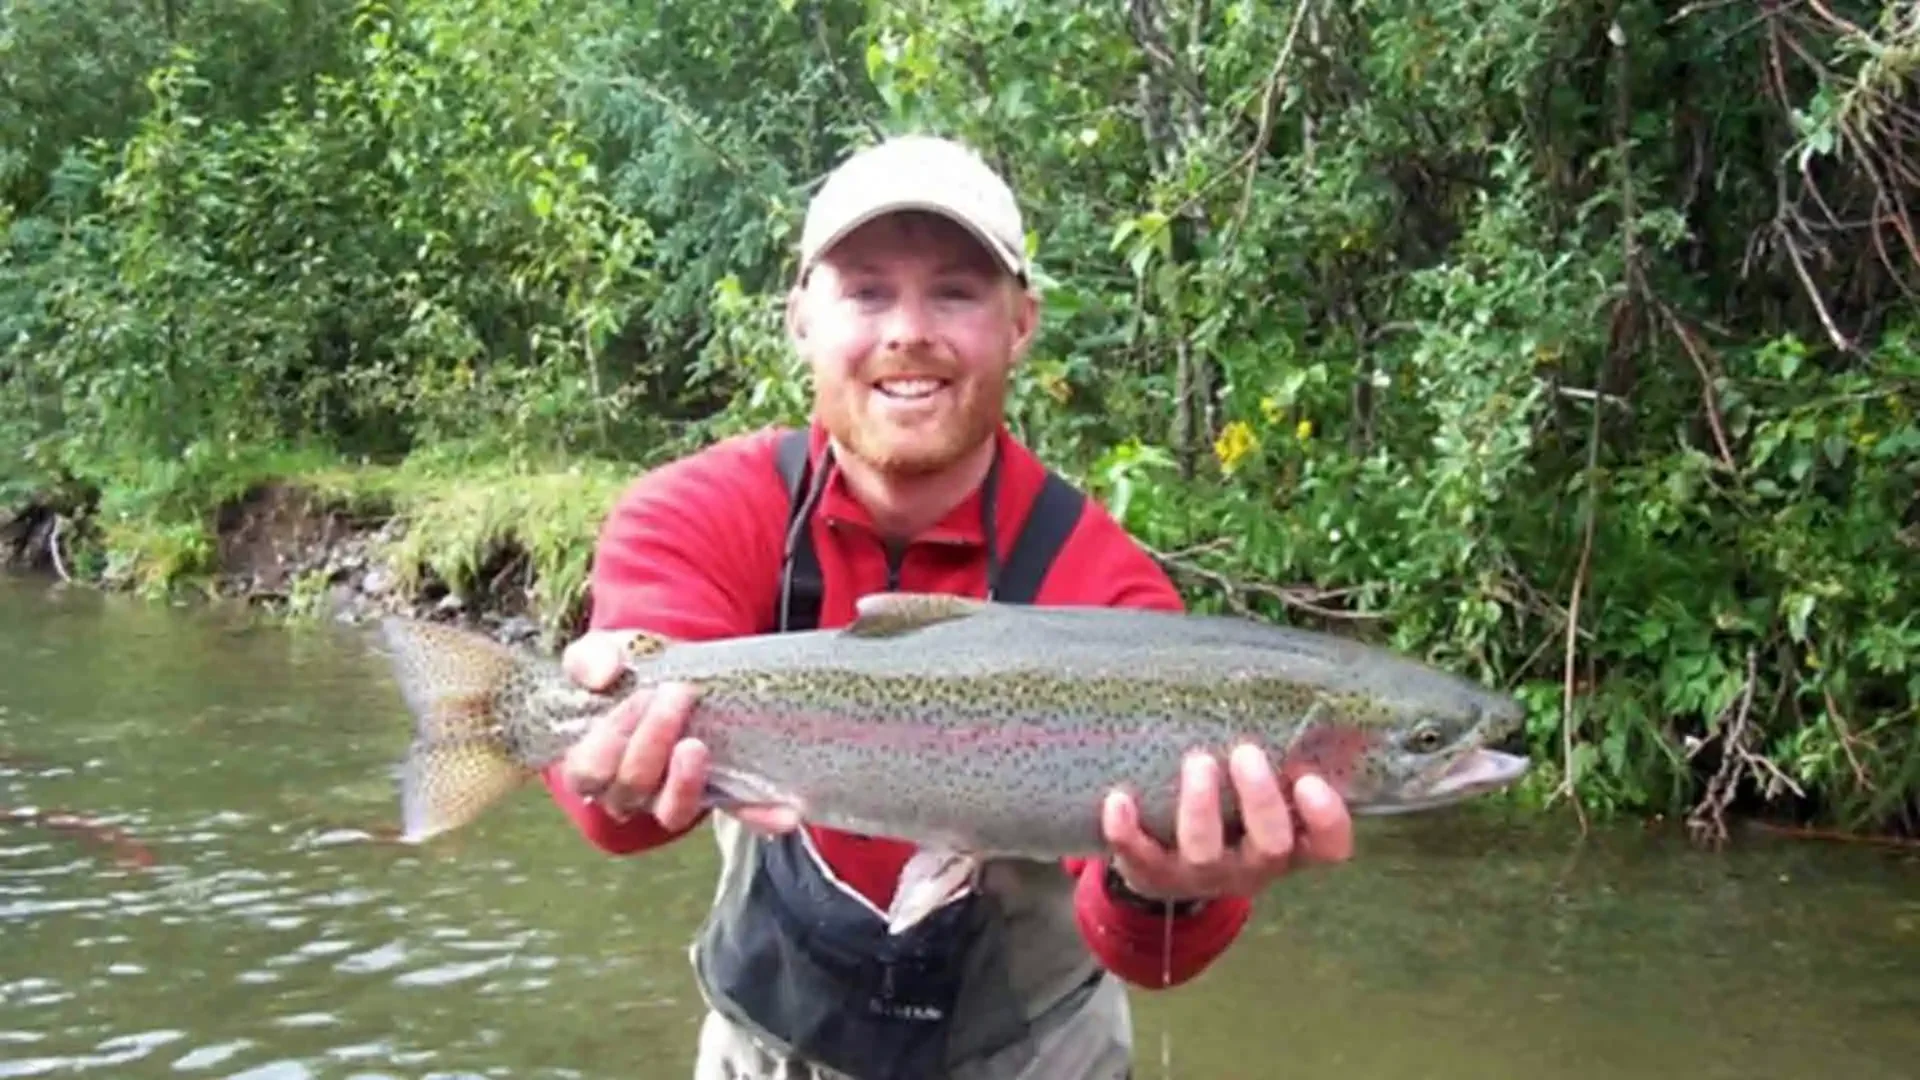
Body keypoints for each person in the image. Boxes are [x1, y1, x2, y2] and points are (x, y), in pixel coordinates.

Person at [542, 134, 1355, 1080]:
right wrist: (583, 745)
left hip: (1038, 1055)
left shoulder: (1108, 589)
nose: (908, 331)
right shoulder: (697, 515)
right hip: (767, 1045)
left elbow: (1145, 955)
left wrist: (1168, 887)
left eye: (957, 292)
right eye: (868, 290)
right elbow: (619, 822)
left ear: (1021, 323)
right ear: (801, 317)